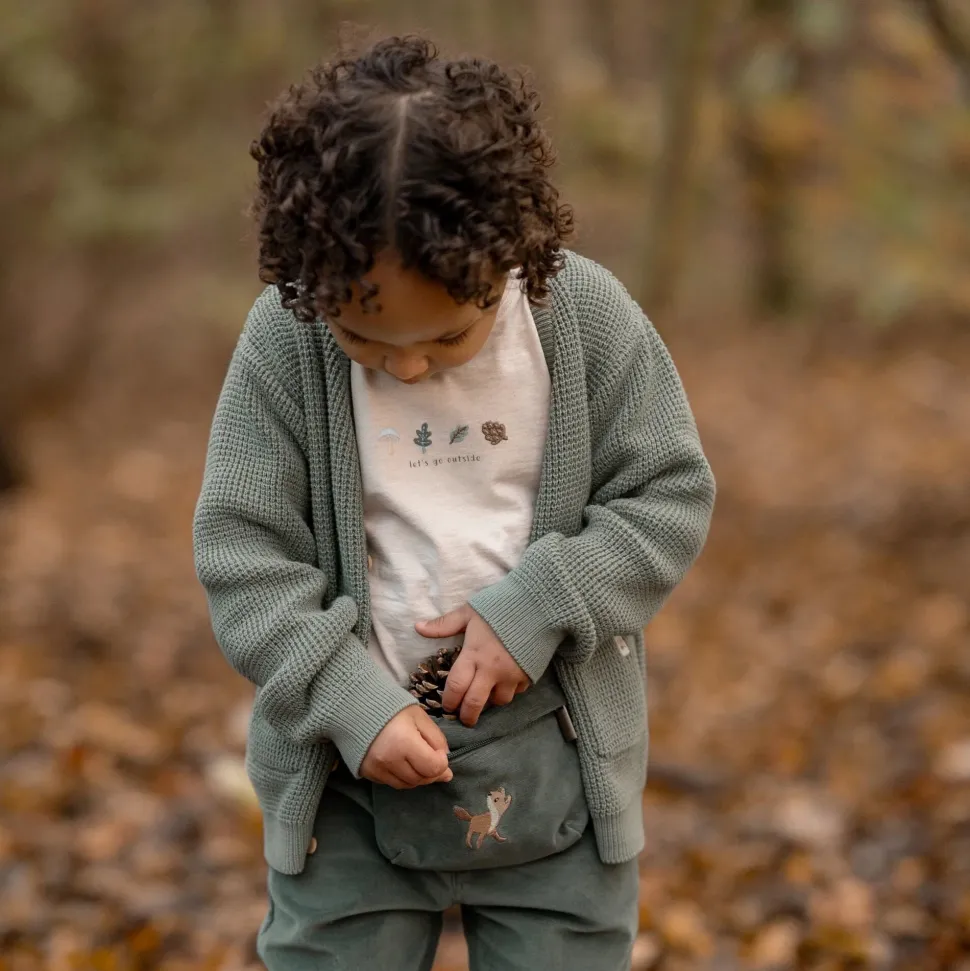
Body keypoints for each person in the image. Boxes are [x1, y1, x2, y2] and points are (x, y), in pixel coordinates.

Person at [193, 35, 715, 971]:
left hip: (556, 767)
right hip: (346, 781)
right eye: (362, 333)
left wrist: (538, 609)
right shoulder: (284, 341)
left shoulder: (587, 322)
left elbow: (666, 495)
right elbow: (244, 558)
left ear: (511, 256)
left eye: (448, 335)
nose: (406, 366)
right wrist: (346, 695)